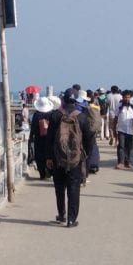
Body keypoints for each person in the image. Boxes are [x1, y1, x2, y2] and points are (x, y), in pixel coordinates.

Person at [47, 88, 93, 228]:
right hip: (75, 158)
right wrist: (85, 154)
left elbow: (49, 139)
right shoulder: (82, 116)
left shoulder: (55, 115)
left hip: (57, 157)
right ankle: (71, 219)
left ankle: (62, 215)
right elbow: (89, 138)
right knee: (74, 188)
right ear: (76, 100)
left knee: (59, 187)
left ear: (64, 100)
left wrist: (49, 157)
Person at [29, 96, 55, 179]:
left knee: (39, 156)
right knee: (49, 155)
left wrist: (31, 137)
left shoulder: (36, 115)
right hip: (49, 138)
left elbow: (33, 127)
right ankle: (50, 172)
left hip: (38, 138)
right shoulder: (51, 114)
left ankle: (42, 174)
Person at [115, 98, 133, 169]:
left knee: (129, 147)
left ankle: (128, 162)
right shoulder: (119, 106)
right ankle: (120, 163)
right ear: (123, 98)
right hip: (121, 129)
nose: (127, 99)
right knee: (121, 146)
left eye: (128, 98)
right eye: (125, 98)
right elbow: (115, 118)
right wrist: (114, 129)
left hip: (131, 130)